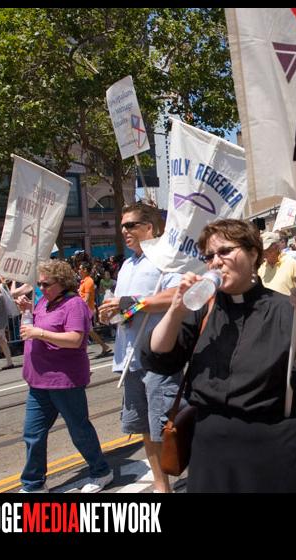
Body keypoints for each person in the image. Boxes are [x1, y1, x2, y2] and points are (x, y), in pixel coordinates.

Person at [140, 219, 296, 493]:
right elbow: (158, 358)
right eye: (209, 256)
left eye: (225, 251)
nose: (216, 262)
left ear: (253, 253)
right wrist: (175, 310)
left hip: (274, 453)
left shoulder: (284, 309)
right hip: (212, 457)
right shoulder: (203, 310)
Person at [98, 202, 183, 493]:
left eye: (130, 225)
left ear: (150, 227)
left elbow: (176, 295)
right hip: (130, 358)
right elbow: (127, 308)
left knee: (167, 428)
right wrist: (112, 313)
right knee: (146, 429)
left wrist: (132, 304)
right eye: (122, 225)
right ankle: (162, 488)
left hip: (158, 357)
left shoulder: (166, 258)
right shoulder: (127, 265)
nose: (124, 230)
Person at [16, 260, 113, 493]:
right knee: (33, 433)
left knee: (79, 430)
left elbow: (75, 339)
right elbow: (29, 331)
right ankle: (33, 483)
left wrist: (39, 332)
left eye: (46, 284)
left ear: (62, 282)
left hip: (64, 380)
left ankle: (101, 471)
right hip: (38, 380)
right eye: (39, 284)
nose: (41, 288)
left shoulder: (74, 304)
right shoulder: (43, 302)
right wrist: (26, 312)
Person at [79, 262, 113, 358]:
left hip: (86, 309)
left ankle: (81, 352)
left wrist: (79, 310)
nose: (78, 270)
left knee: (84, 330)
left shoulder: (88, 281)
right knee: (88, 330)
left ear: (85, 270)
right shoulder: (84, 281)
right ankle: (104, 346)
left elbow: (86, 299)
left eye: (80, 268)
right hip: (85, 309)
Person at [257, 231, 296, 296]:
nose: (264, 252)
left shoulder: (292, 263)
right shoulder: (261, 268)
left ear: (277, 247)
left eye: (267, 248)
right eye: (262, 249)